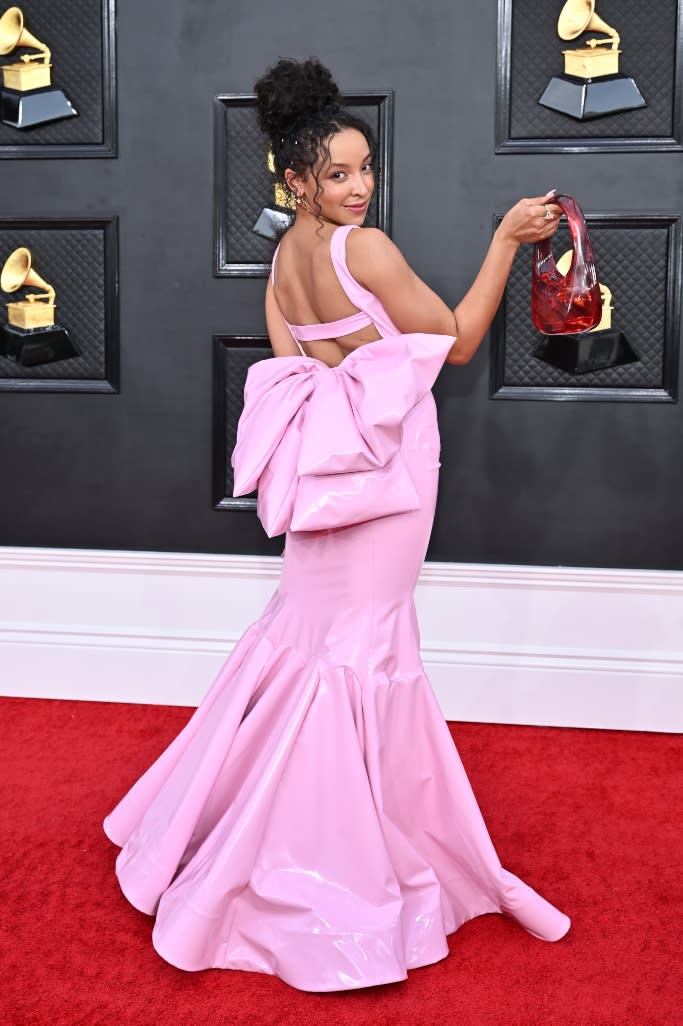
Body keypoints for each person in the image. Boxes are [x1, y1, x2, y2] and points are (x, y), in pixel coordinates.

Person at [104, 57, 569, 993]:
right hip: (388, 476)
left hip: (327, 479)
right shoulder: (369, 252)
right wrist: (504, 241)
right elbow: (458, 342)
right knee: (364, 650)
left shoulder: (285, 258)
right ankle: (341, 861)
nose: (359, 188)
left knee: (309, 641)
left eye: (366, 170)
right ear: (294, 179)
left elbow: (299, 375)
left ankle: (253, 834)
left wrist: (355, 382)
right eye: (338, 174)